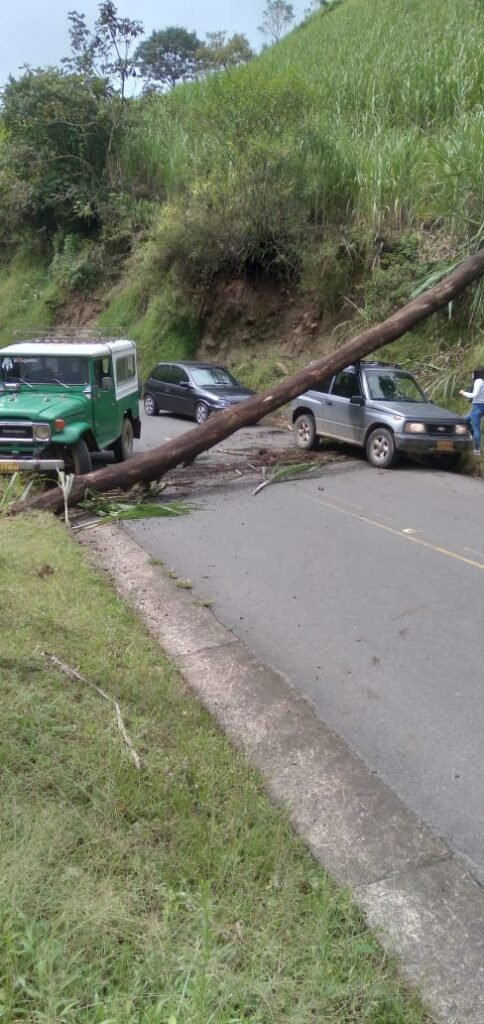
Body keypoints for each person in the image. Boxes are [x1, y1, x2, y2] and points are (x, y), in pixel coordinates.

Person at [459, 367, 484, 455]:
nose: (472, 375)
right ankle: (473, 438)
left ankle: (477, 450)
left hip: (478, 406)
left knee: (476, 427)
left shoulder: (478, 381)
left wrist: (463, 393)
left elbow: (474, 394)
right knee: (464, 420)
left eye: (473, 373)